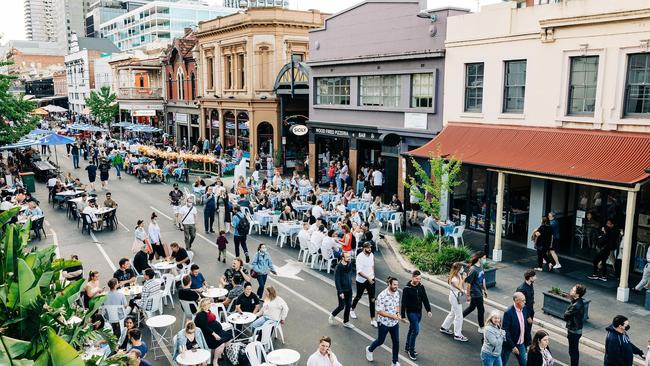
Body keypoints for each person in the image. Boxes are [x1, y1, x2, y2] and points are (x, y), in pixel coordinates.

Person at [365, 277, 403, 366]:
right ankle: (369, 349)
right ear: (389, 284)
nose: (396, 287)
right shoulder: (382, 295)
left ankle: (394, 362)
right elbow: (379, 311)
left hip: (394, 323)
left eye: (397, 285)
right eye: (394, 285)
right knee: (380, 341)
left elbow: (397, 305)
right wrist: (392, 316)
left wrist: (397, 313)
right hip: (384, 323)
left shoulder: (397, 293)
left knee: (396, 342)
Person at [401, 270, 431, 360]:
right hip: (411, 313)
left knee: (412, 329)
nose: (418, 280)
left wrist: (428, 310)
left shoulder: (421, 286)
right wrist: (402, 316)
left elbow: (425, 298)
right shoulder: (407, 288)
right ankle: (411, 350)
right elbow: (403, 303)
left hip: (419, 312)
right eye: (417, 279)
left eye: (420, 279)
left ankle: (407, 347)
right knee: (416, 330)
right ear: (412, 277)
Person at [501, 292, 531, 366]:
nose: (525, 302)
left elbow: (525, 326)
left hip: (521, 343)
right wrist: (513, 346)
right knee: (502, 363)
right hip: (510, 344)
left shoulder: (524, 308)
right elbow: (505, 331)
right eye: (523, 300)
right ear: (516, 300)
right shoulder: (508, 313)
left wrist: (529, 340)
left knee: (524, 363)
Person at [440, 262, 468, 342]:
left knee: (453, 313)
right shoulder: (454, 279)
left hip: (455, 296)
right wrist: (464, 278)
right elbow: (459, 287)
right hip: (455, 298)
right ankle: (457, 334)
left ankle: (444, 327)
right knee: (459, 316)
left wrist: (462, 278)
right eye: (462, 267)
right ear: (458, 269)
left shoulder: (457, 275)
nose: (463, 269)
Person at [351, 242, 376, 327]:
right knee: (358, 296)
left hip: (371, 278)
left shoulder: (371, 254)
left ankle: (373, 319)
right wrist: (368, 278)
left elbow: (372, 265)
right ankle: (352, 309)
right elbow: (359, 272)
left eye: (370, 248)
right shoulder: (359, 257)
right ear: (363, 248)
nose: (370, 249)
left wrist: (372, 275)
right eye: (368, 248)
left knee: (372, 299)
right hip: (361, 280)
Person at [464, 251, 488, 333]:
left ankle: (459, 318)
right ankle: (481, 327)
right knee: (481, 310)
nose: (485, 260)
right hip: (475, 293)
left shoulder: (481, 266)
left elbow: (483, 278)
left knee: (471, 307)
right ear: (479, 258)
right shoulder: (473, 269)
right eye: (484, 258)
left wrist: (485, 289)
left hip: (479, 291)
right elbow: (468, 283)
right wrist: (468, 295)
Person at [329, 251, 354, 328]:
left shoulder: (349, 264)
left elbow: (350, 274)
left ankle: (346, 322)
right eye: (347, 257)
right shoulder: (338, 267)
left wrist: (350, 281)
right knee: (341, 306)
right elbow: (337, 280)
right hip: (342, 290)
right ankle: (332, 315)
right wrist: (340, 292)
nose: (349, 258)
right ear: (343, 258)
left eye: (349, 257)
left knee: (348, 306)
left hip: (349, 289)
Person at [564, 284, 586, 366]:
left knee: (573, 351)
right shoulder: (577, 301)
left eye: (573, 290)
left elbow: (566, 315)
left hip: (574, 330)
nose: (571, 290)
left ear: (577, 294)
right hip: (575, 329)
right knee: (573, 350)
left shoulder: (576, 305)